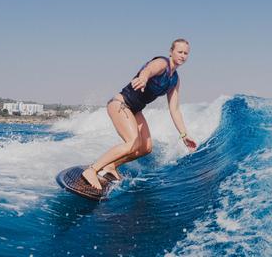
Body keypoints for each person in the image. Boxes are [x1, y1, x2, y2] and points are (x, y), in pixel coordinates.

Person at [82, 38, 197, 190]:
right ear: (171, 52)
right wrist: (143, 78)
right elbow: (148, 70)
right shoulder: (162, 63)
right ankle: (92, 170)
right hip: (120, 104)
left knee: (146, 148)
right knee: (132, 143)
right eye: (180, 52)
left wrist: (184, 134)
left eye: (186, 53)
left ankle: (110, 166)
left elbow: (174, 109)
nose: (183, 55)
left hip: (135, 109)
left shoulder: (174, 80)